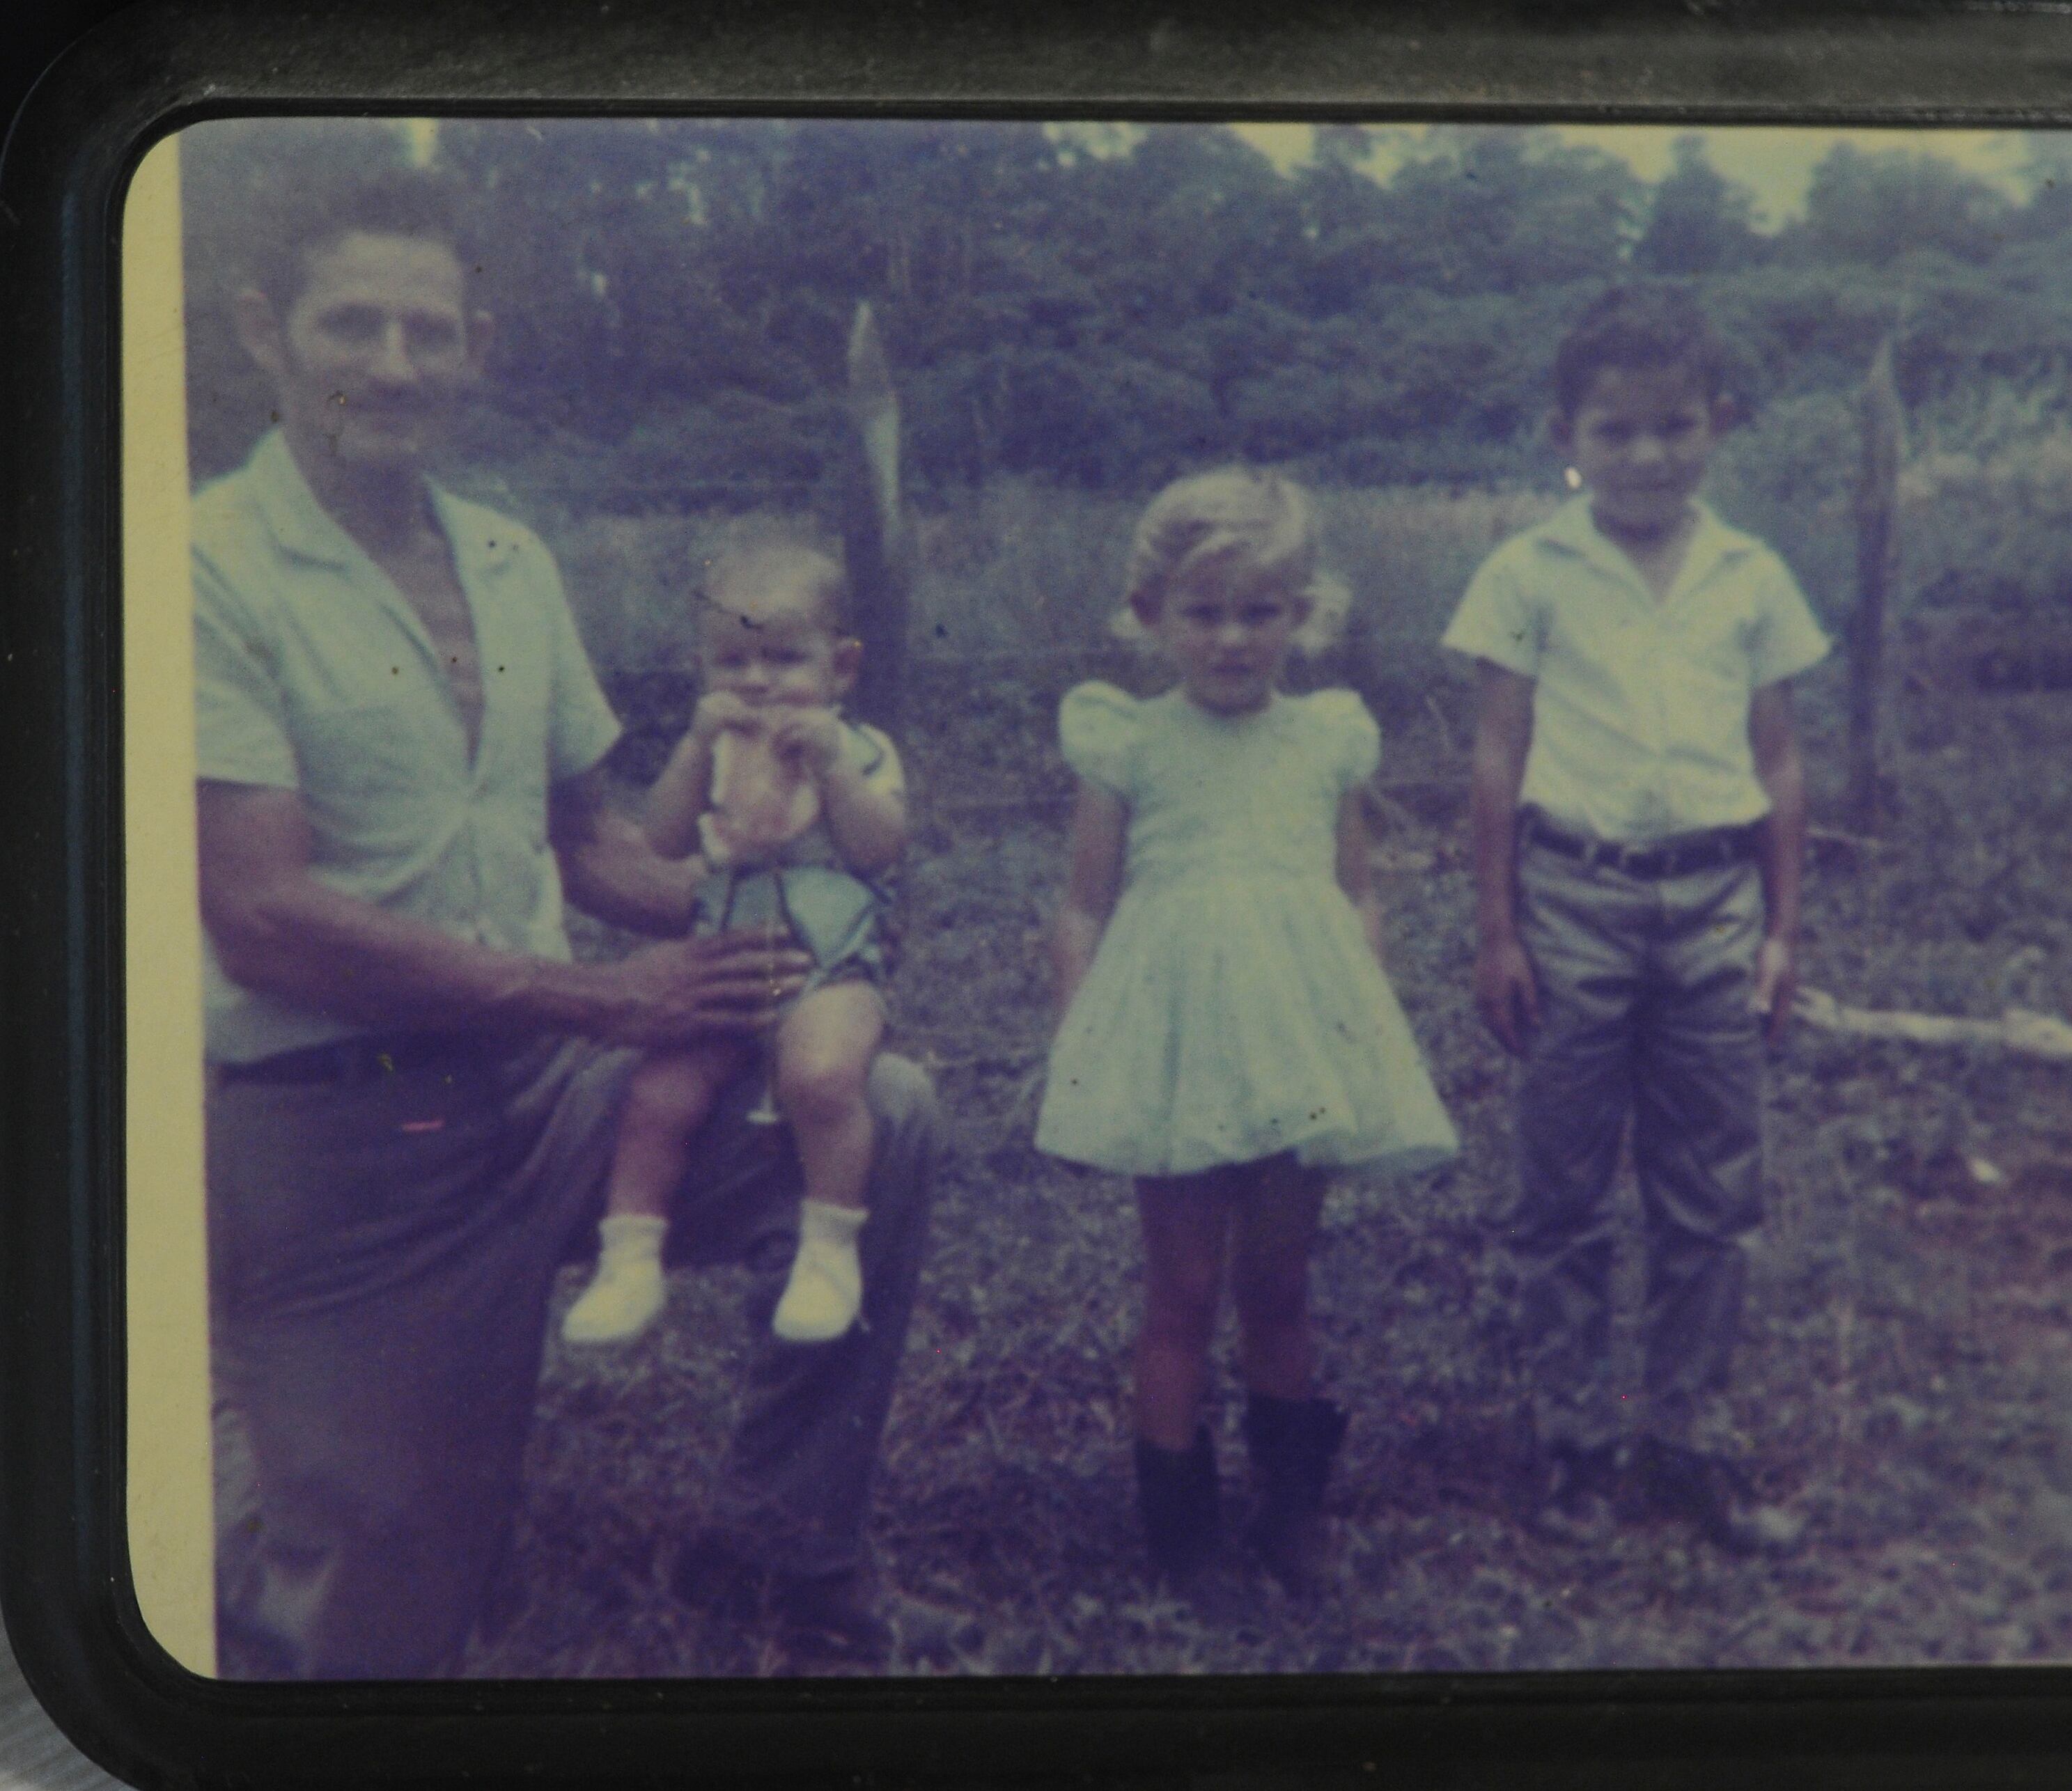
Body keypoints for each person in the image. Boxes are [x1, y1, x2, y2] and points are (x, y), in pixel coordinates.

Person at [194, 162, 943, 1677]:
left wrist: (796, 923)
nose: (394, 366)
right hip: (346, 1136)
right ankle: (237, 1482)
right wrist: (602, 999)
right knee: (377, 1628)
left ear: (477, 345)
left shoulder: (511, 561)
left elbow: (592, 839)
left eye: (429, 331)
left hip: (540, 1099)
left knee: (888, 1106)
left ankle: (781, 1543)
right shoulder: (197, 569)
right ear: (264, 331)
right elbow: (264, 917)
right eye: (354, 325)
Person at [1441, 285, 1828, 1554]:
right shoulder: (1525, 570)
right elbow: (1497, 757)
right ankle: (1570, 1447)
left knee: (1709, 1192)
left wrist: (1778, 930)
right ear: (1567, 433)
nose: (1647, 455)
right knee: (1559, 1190)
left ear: (1715, 425)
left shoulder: (1749, 575)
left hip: (1715, 906)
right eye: (1615, 432)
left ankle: (1686, 1441)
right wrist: (1498, 931)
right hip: (1571, 900)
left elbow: (1776, 762)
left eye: (1673, 426)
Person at [1035, 468, 1457, 1600]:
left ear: (1302, 614)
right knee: (1181, 1289)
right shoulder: (1128, 742)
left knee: (1279, 1285)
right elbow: (1083, 904)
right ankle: (1182, 1532)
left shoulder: (1324, 739)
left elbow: (1353, 892)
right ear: (1151, 618)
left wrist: (1359, 1020)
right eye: (1204, 611)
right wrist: (1083, 1052)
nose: (1232, 638)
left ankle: (1290, 1512)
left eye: (1259, 611)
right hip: (1177, 1046)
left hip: (1293, 1044)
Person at [562, 531, 904, 1347]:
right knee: (659, 1096)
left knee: (821, 1078)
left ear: (840, 669)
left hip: (827, 958)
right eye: (731, 663)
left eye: (784, 659)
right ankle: (631, 1259)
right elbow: (665, 841)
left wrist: (834, 771)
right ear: (703, 671)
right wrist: (689, 748)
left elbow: (877, 847)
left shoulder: (858, 748)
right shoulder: (712, 755)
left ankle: (828, 1251)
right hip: (726, 956)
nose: (756, 682)